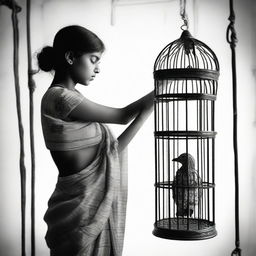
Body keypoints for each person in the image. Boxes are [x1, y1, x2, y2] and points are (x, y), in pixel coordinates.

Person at [38, 25, 154, 256]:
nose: (97, 69)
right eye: (93, 60)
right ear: (71, 57)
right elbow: (122, 116)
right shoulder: (61, 98)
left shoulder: (71, 98)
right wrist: (161, 89)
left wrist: (149, 109)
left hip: (84, 207)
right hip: (79, 211)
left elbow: (113, 152)